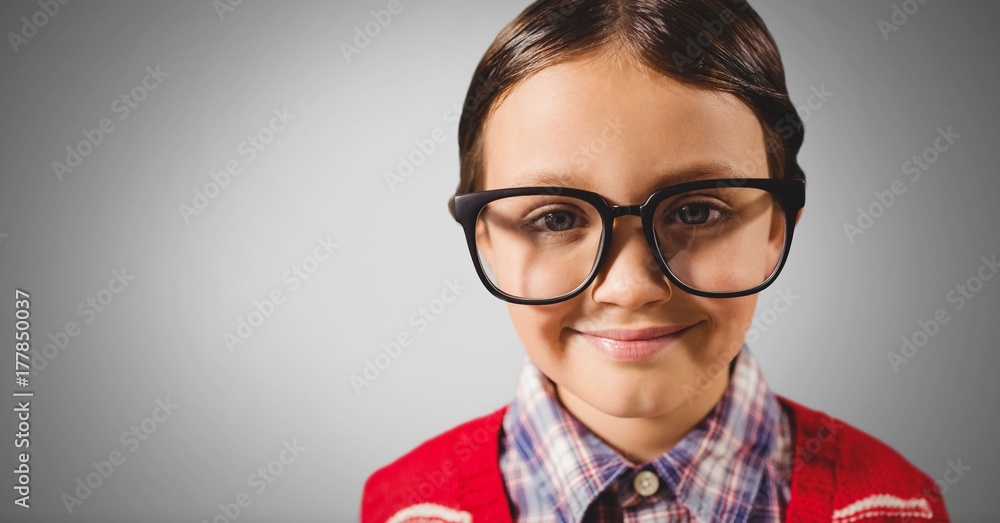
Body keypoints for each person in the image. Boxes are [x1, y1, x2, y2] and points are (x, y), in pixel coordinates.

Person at [362, 0, 951, 521]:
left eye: (695, 212)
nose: (630, 287)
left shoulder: (894, 507)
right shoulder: (409, 508)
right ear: (485, 238)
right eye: (556, 219)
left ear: (776, 225)